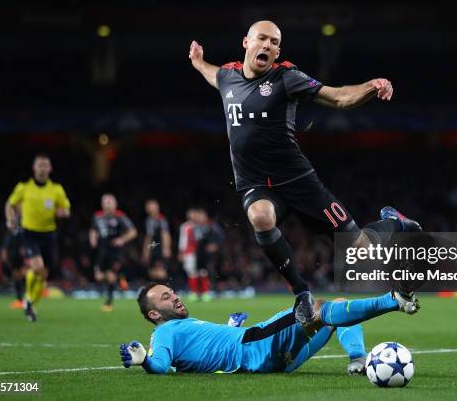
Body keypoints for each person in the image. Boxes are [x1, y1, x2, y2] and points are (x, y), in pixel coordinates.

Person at [189, 20, 421, 323]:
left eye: (273, 42)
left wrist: (371, 86)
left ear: (278, 51)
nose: (267, 46)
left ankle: (394, 223)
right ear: (246, 43)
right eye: (262, 39)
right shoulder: (228, 75)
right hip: (255, 183)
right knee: (260, 216)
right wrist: (197, 62)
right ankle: (302, 293)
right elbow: (212, 75)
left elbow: (338, 97)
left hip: (298, 180)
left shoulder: (287, 77)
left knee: (359, 250)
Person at [119, 283, 419, 374]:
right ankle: (393, 299)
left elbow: (205, 350)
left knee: (332, 309)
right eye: (166, 297)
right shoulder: (163, 333)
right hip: (256, 345)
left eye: (172, 291)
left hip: (272, 360)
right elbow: (160, 364)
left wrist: (231, 327)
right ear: (155, 312)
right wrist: (144, 359)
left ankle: (357, 358)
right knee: (313, 309)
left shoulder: (182, 326)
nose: (175, 295)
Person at [5, 153, 71, 321]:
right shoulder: (24, 187)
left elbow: (66, 209)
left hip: (49, 234)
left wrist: (62, 212)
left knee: (43, 275)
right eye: (39, 165)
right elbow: (10, 204)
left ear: (50, 169)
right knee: (36, 267)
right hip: (30, 233)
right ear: (34, 168)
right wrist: (11, 219)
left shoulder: (56, 189)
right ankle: (28, 296)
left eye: (45, 165)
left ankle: (30, 304)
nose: (42, 168)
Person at [89, 194, 137, 311]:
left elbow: (133, 232)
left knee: (110, 276)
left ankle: (109, 302)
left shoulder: (120, 216)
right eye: (106, 202)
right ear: (102, 204)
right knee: (99, 277)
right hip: (102, 250)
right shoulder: (97, 216)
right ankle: (120, 277)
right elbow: (93, 229)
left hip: (115, 252)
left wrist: (122, 239)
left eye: (111, 202)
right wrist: (93, 239)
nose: (109, 205)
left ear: (115, 205)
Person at [0, 215, 26, 309]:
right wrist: (4, 254)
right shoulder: (11, 233)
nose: (10, 225)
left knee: (21, 275)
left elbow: (24, 246)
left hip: (21, 257)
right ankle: (20, 299)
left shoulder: (21, 233)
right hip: (14, 257)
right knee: (17, 276)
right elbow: (5, 246)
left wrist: (25, 252)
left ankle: (24, 298)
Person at [141, 199, 172, 283]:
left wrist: (166, 248)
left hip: (159, 247)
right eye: (148, 206)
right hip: (153, 247)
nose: (149, 208)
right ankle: (157, 291)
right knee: (152, 272)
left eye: (151, 206)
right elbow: (148, 237)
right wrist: (146, 251)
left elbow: (165, 234)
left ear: (157, 208)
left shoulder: (161, 219)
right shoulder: (148, 220)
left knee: (161, 272)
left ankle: (167, 288)